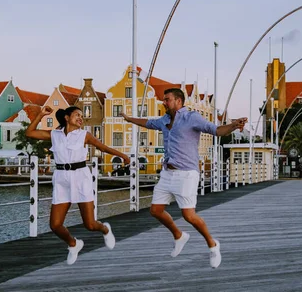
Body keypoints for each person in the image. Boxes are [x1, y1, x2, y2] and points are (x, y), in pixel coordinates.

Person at [121, 88, 247, 269]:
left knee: (188, 215)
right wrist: (129, 119)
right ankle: (179, 236)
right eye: (164, 99)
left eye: (167, 99)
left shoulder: (192, 117)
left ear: (179, 101)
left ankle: (213, 245)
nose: (164, 102)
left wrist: (233, 125)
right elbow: (148, 122)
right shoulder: (164, 120)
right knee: (155, 211)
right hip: (167, 172)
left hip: (187, 173)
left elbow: (216, 130)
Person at [26, 105, 130, 265]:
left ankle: (105, 229)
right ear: (67, 118)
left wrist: (123, 156)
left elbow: (103, 147)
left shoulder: (84, 135)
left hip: (81, 178)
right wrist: (40, 115)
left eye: (82, 116)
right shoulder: (55, 135)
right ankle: (73, 244)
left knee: (90, 224)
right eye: (77, 115)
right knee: (55, 225)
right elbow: (30, 132)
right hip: (61, 179)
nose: (81, 118)